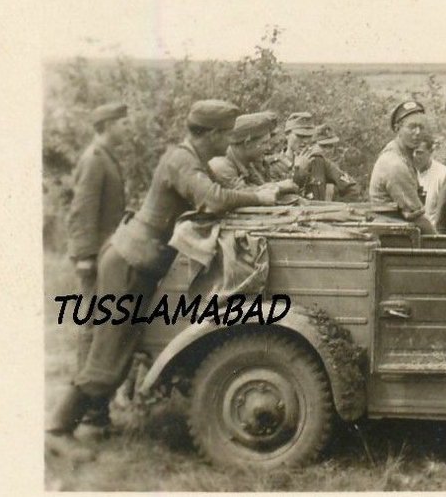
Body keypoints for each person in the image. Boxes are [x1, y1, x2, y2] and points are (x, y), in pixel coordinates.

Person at [46, 100, 283, 459]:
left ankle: (94, 423)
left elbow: (219, 191)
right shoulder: (182, 160)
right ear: (215, 134)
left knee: (121, 349)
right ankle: (57, 429)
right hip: (129, 263)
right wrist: (261, 197)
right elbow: (213, 199)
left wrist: (264, 193)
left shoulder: (189, 157)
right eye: (228, 133)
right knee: (108, 353)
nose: (232, 140)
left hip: (136, 261)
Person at [66, 101, 129, 377]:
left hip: (105, 253)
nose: (128, 128)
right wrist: (84, 257)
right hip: (94, 257)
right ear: (108, 126)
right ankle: (83, 399)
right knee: (91, 324)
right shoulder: (94, 159)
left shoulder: (105, 156)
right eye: (123, 123)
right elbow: (82, 210)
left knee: (101, 322)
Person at [368, 100, 436, 233]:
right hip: (392, 238)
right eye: (412, 127)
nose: (417, 132)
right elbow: (416, 217)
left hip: (398, 233)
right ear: (397, 128)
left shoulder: (403, 157)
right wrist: (438, 241)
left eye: (421, 127)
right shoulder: (394, 164)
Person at [209, 113, 278, 189]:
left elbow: (261, 185)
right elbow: (249, 196)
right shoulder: (221, 166)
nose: (269, 147)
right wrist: (279, 187)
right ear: (247, 143)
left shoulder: (247, 161)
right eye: (264, 142)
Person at [303, 123, 359, 201]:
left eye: (331, 146)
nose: (328, 150)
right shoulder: (299, 163)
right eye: (323, 146)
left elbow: (352, 188)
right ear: (311, 145)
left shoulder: (332, 166)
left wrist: (337, 207)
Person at [412, 131, 446, 229]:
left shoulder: (442, 174)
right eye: (412, 151)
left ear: (430, 152)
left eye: (420, 152)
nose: (415, 156)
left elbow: (445, 212)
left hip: (432, 234)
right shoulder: (406, 171)